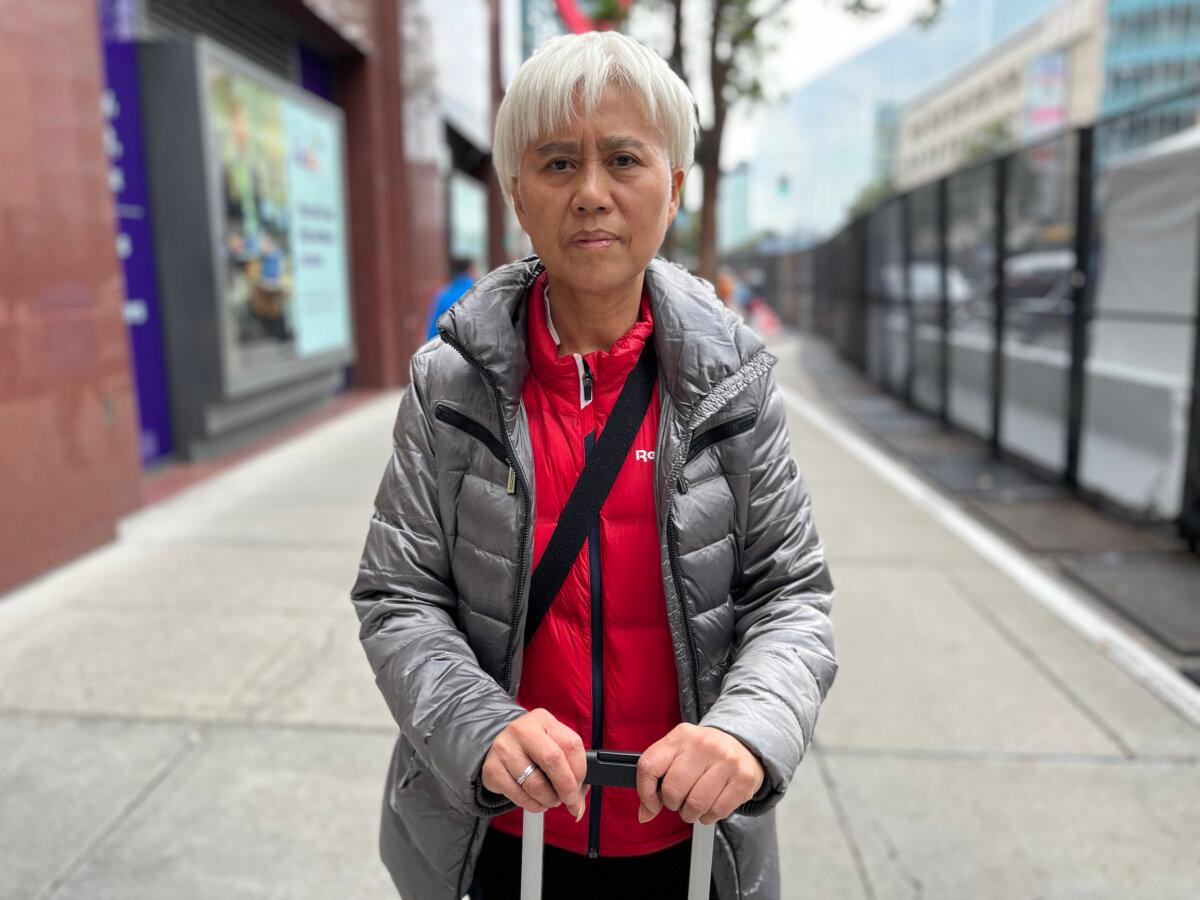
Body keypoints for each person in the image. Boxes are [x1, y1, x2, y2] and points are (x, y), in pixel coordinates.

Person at [350, 31, 836, 900]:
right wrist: (481, 727)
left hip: (689, 846)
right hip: (495, 834)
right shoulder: (449, 383)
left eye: (623, 159)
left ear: (675, 188)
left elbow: (791, 597)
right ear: (516, 196)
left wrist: (746, 736)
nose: (592, 194)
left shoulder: (735, 385)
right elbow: (399, 595)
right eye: (557, 163)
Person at [426, 255, 479, 340]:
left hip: (448, 347)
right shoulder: (478, 292)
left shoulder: (444, 295)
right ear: (470, 270)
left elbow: (433, 332)